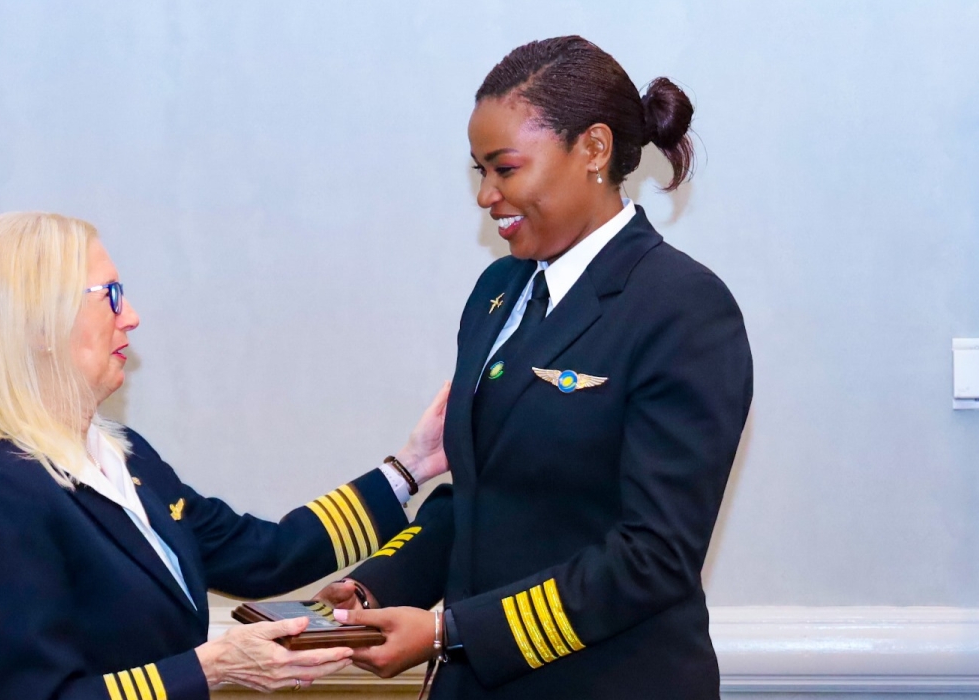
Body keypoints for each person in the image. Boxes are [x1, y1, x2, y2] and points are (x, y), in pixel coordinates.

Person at [319, 36, 753, 699]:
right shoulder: (497, 294)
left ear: (594, 151)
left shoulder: (682, 307)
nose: (486, 196)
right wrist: (384, 582)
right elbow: (485, 493)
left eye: (506, 168)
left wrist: (448, 632)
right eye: (479, 171)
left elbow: (654, 556)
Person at [0, 212, 451, 700]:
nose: (131, 317)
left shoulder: (123, 455)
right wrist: (211, 667)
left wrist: (409, 469)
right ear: (41, 324)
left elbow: (262, 554)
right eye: (110, 296)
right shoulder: (0, 492)